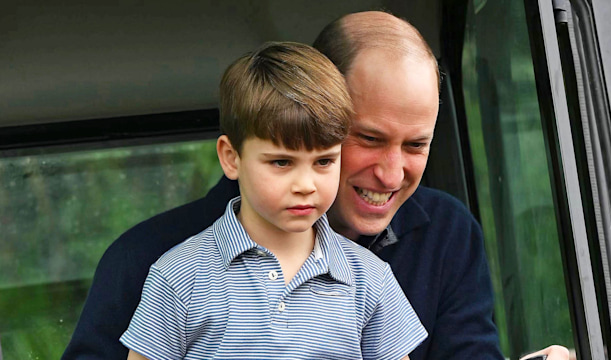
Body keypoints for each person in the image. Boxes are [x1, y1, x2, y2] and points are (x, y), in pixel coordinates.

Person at [63, 11, 570, 360]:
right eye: (369, 139)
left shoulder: (442, 238)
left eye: (416, 146)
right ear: (315, 112)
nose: (392, 175)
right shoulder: (157, 263)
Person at [119, 41, 427, 360]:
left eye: (323, 162)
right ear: (231, 158)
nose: (306, 185)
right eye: (281, 162)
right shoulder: (179, 275)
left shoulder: (369, 279)